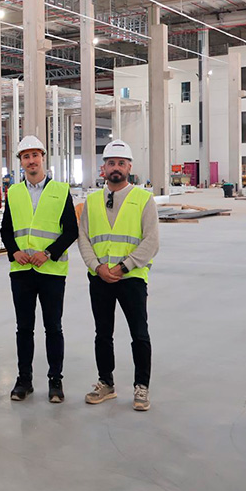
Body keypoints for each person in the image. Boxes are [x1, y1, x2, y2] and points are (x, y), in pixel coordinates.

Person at [78, 139, 158, 412]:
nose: (116, 168)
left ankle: (142, 387)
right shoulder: (91, 201)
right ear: (104, 168)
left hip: (132, 278)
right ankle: (106, 382)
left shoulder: (143, 199)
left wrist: (123, 267)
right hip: (99, 278)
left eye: (121, 163)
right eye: (111, 163)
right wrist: (97, 267)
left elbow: (151, 242)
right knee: (103, 334)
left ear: (129, 167)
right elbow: (84, 239)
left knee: (139, 334)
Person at [0, 135, 78, 403]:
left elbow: (71, 230)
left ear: (43, 158)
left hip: (52, 272)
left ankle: (55, 380)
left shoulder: (60, 190)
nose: (31, 161)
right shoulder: (13, 192)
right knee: (24, 328)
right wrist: (14, 252)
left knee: (53, 328)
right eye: (25, 156)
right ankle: (24, 380)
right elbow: (6, 230)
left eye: (35, 155)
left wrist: (49, 253)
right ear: (20, 162)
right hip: (21, 272)